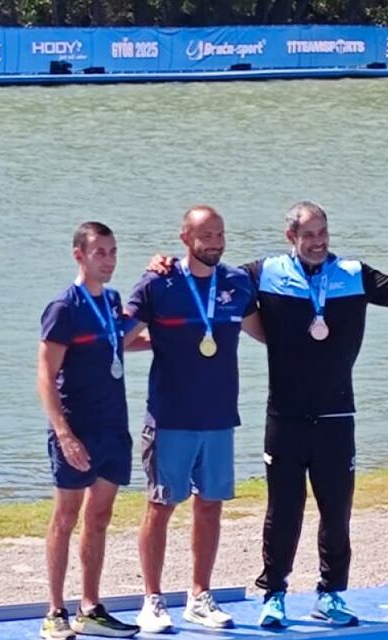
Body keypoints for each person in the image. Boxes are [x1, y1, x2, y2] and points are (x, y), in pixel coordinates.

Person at [248, 203, 388, 628]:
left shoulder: (352, 274)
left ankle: (331, 594)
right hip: (285, 417)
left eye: (323, 233)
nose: (317, 242)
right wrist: (167, 266)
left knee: (336, 512)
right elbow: (215, 285)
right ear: (291, 237)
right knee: (283, 511)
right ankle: (274, 595)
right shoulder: (266, 273)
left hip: (336, 416)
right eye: (308, 235)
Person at [126, 206, 265, 633]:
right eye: (206, 236)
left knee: (210, 507)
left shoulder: (237, 283)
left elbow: (265, 332)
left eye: (220, 234)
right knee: (161, 506)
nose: (216, 243)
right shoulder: (159, 282)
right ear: (185, 237)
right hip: (170, 418)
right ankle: (152, 600)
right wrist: (164, 340)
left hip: (219, 417)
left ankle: (199, 597)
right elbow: (120, 338)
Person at [37, 222, 144, 639]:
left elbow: (115, 342)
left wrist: (174, 339)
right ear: (79, 255)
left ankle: (90, 608)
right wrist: (64, 434)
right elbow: (45, 375)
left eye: (113, 251)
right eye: (100, 252)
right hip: (76, 429)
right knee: (66, 517)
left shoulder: (112, 300)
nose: (109, 260)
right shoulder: (64, 307)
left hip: (112, 427)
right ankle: (54, 612)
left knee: (99, 517)